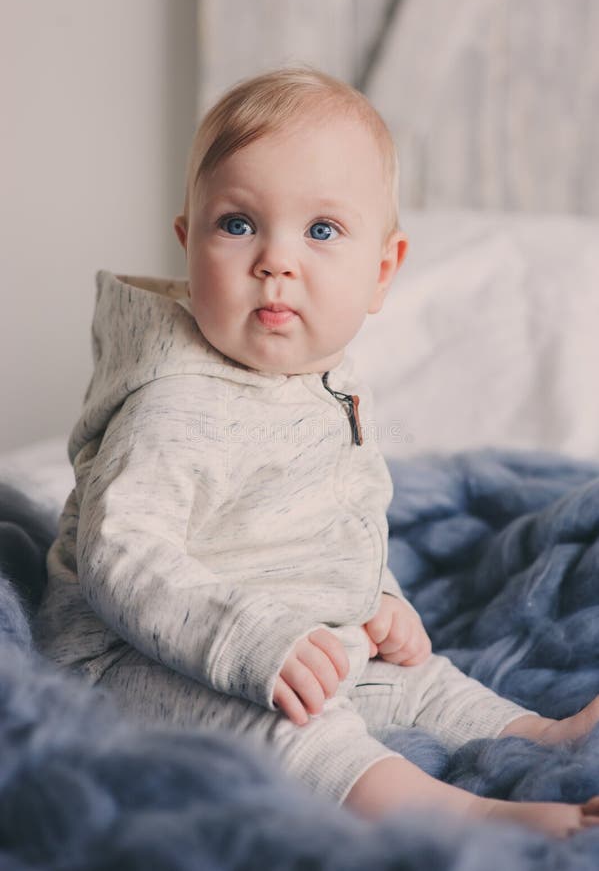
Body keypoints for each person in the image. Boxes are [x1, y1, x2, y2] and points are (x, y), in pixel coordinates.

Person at [34, 65, 599, 837]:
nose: (275, 260)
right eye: (236, 224)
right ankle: (472, 814)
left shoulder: (326, 383)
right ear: (186, 240)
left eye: (321, 231)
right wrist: (254, 641)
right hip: (138, 661)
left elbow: (335, 522)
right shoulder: (173, 402)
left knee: (416, 680)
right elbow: (121, 555)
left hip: (293, 633)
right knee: (297, 735)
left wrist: (378, 601)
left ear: (382, 271)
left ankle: (536, 736)